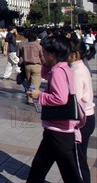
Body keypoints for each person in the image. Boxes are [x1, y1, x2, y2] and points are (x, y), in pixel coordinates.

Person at [26, 36, 84, 183]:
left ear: (53, 54)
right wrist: (45, 63)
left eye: (44, 52)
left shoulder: (58, 72)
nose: (42, 55)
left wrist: (39, 95)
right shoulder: (63, 68)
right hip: (56, 128)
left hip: (60, 132)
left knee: (69, 173)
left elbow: (61, 98)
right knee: (39, 166)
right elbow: (46, 73)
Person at [68, 39, 94, 183]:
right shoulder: (80, 67)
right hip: (87, 117)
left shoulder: (77, 71)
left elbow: (74, 100)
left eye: (68, 52)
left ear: (76, 54)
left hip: (82, 120)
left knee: (78, 159)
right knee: (78, 157)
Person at [18, 31, 43, 104]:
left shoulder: (24, 45)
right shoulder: (37, 45)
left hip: (27, 66)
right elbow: (42, 55)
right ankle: (31, 99)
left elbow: (19, 55)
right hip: (36, 66)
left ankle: (29, 97)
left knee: (29, 83)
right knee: (35, 84)